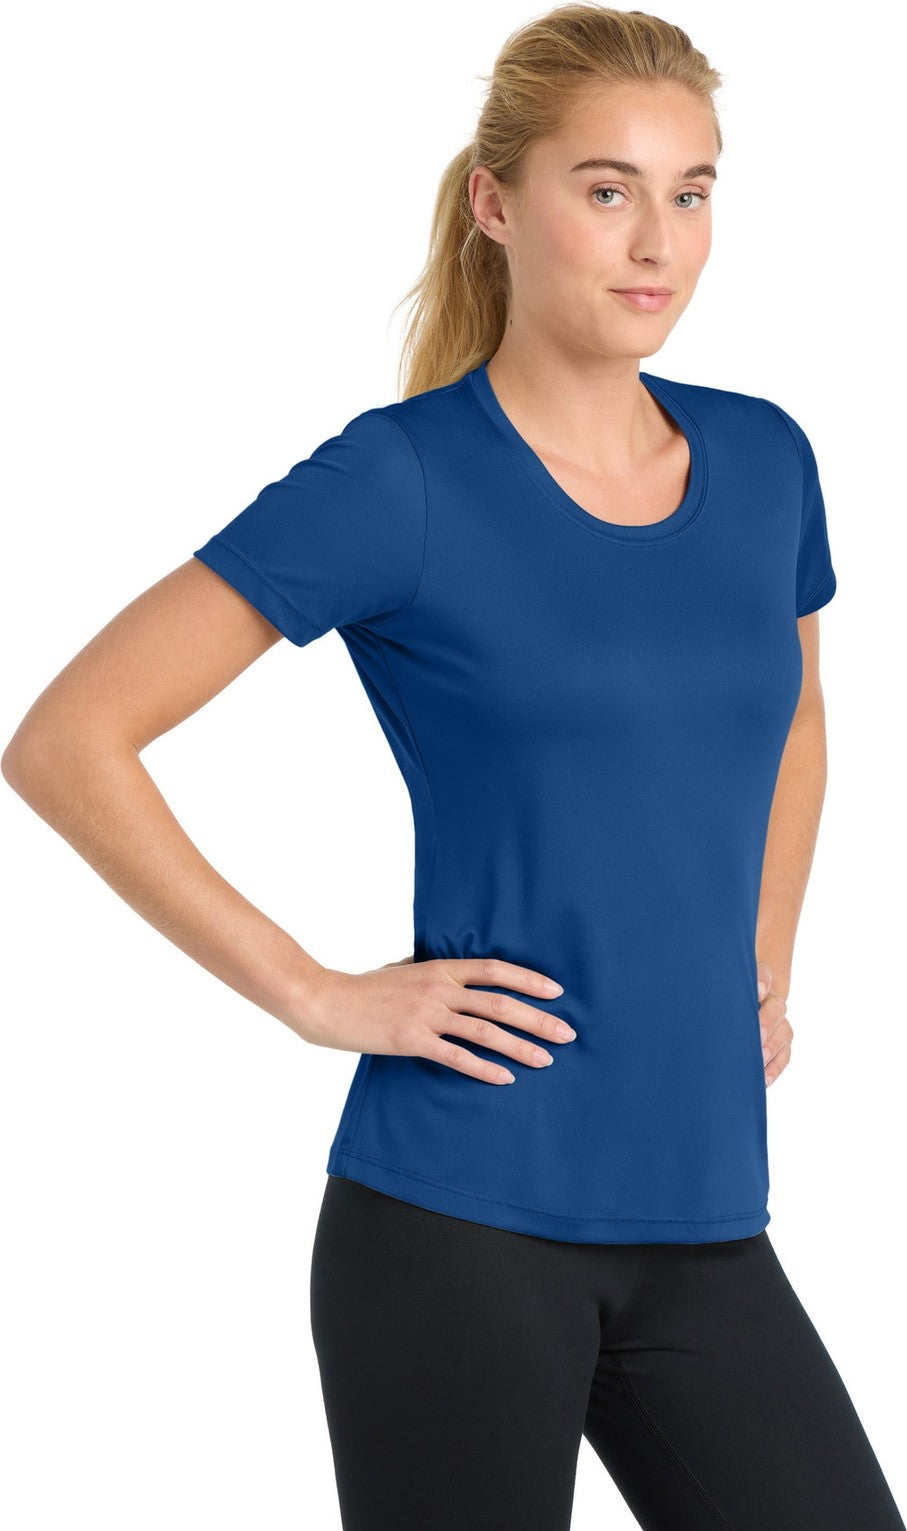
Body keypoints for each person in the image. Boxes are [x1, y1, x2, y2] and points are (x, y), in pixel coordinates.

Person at [3, 5, 904, 1529]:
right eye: (607, 189)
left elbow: (796, 712)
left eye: (691, 192)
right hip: (457, 1218)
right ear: (497, 202)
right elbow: (67, 740)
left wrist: (763, 955)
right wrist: (314, 994)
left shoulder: (767, 459)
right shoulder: (401, 479)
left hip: (702, 1210)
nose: (659, 242)